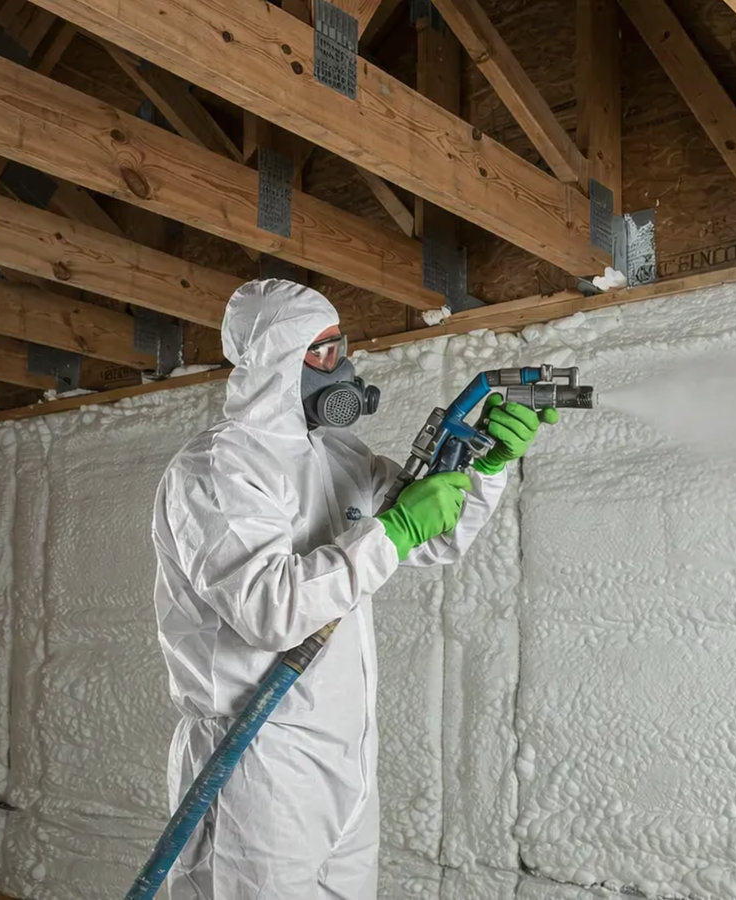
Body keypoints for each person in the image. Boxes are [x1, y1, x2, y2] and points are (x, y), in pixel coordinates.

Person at [150, 279, 554, 898]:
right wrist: (393, 529)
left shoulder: (339, 453)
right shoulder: (219, 468)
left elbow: (430, 537)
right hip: (258, 756)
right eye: (324, 352)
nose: (344, 368)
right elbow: (271, 608)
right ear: (277, 359)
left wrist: (486, 464)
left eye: (342, 348)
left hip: (345, 750)